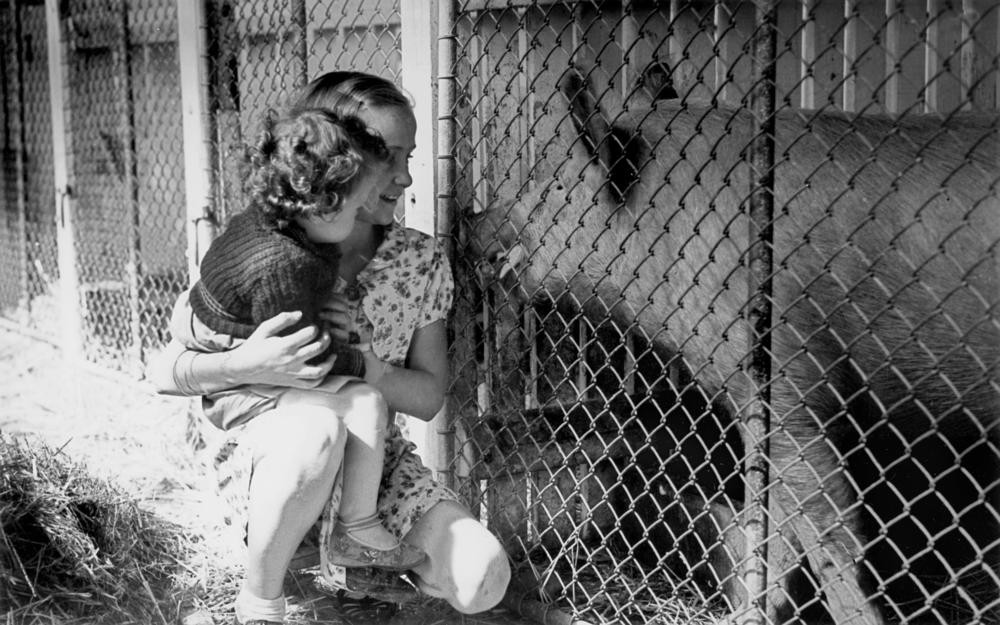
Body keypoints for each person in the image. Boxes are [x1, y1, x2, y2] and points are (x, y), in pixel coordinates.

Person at [148, 71, 510, 625]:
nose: (404, 176)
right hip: (273, 451)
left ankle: (355, 553)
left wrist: (368, 367)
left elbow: (429, 396)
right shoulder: (268, 250)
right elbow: (164, 369)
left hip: (372, 459)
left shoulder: (420, 260)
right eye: (386, 155)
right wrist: (246, 364)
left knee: (483, 577)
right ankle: (265, 596)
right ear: (333, 159)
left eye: (408, 155)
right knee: (314, 434)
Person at [170, 106, 426, 574]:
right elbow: (305, 357)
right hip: (243, 390)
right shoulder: (282, 264)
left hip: (250, 360)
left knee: (366, 402)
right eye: (354, 206)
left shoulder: (277, 221)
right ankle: (345, 534)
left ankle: (355, 530)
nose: (361, 213)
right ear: (323, 204)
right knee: (363, 402)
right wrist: (352, 353)